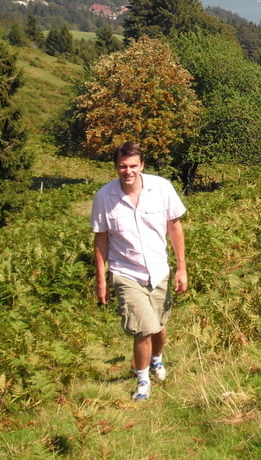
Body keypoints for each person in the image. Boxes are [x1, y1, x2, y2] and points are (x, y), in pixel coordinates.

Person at [92, 141, 188, 401]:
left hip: (158, 270)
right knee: (143, 328)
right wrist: (101, 280)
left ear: (142, 165)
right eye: (123, 166)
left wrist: (182, 268)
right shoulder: (104, 197)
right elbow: (101, 238)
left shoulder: (161, 188)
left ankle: (156, 359)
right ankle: (142, 379)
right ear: (116, 167)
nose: (128, 171)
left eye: (133, 165)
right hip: (126, 272)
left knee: (159, 326)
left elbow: (175, 226)